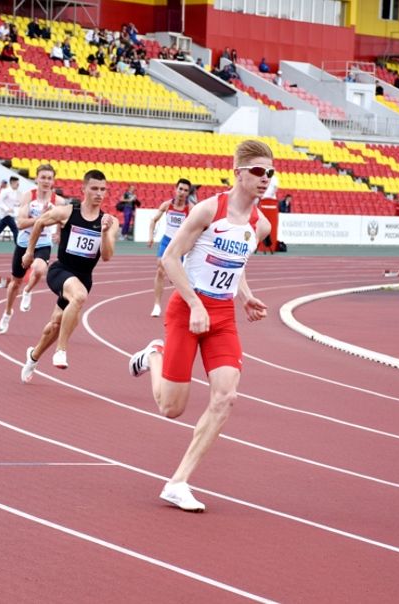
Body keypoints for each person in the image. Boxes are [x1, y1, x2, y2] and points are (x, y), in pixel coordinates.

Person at [127, 140, 273, 512]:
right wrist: (194, 303)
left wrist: (245, 296)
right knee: (171, 409)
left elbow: (235, 266)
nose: (265, 179)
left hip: (223, 316)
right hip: (187, 309)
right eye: (258, 171)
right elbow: (170, 259)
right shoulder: (209, 211)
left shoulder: (260, 225)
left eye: (270, 173)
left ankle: (178, 482)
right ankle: (154, 355)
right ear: (238, 173)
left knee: (226, 398)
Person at [20, 169, 119, 378]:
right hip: (61, 271)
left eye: (103, 189)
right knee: (80, 296)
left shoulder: (109, 222)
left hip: (84, 278)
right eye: (94, 188)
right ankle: (61, 350)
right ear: (84, 189)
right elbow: (39, 222)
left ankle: (33, 357)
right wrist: (29, 252)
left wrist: (103, 232)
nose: (99, 193)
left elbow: (108, 256)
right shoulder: (67, 212)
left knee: (54, 325)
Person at [0, 164, 66, 334]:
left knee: (40, 268)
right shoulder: (29, 196)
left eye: (49, 178)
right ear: (36, 179)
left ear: (53, 181)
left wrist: (58, 232)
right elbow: (20, 223)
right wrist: (41, 219)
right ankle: (7, 312)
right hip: (24, 243)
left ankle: (28, 291)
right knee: (15, 283)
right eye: (43, 177)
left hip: (43, 243)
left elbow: (61, 220)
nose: (46, 181)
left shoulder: (59, 201)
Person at [147, 178, 193, 317]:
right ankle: (156, 305)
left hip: (180, 245)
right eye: (180, 189)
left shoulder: (190, 208)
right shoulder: (167, 205)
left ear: (188, 193)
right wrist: (151, 237)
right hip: (167, 241)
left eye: (185, 190)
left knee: (180, 278)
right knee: (160, 270)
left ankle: (184, 305)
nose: (182, 192)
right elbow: (153, 220)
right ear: (175, 189)